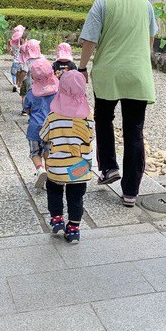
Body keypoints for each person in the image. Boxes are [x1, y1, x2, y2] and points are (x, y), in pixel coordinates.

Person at [78, 0, 157, 207]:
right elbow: (150, 39)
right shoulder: (145, 3)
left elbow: (89, 40)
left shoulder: (102, 3)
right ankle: (131, 192)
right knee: (134, 130)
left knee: (103, 118)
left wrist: (81, 67)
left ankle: (109, 167)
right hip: (137, 74)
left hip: (108, 73)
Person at [40, 70, 94, 244]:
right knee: (76, 197)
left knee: (54, 189)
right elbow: (90, 137)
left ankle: (57, 220)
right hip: (80, 168)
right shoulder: (88, 116)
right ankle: (73, 230)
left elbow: (44, 136)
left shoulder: (53, 116)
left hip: (57, 166)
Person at [23, 58, 59, 189]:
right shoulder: (56, 92)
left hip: (34, 129)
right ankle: (50, 175)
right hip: (51, 128)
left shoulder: (31, 93)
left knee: (35, 153)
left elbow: (26, 109)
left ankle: (40, 169)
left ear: (32, 76)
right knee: (48, 151)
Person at [19, 38, 42, 112]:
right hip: (41, 83)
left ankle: (25, 110)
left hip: (30, 83)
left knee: (27, 96)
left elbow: (24, 72)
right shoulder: (43, 59)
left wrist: (20, 81)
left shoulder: (28, 61)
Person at [7, 25, 25, 93]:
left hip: (15, 62)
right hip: (22, 63)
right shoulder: (23, 47)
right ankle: (19, 84)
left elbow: (11, 53)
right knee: (21, 74)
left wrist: (8, 44)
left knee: (13, 74)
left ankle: (14, 84)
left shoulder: (13, 46)